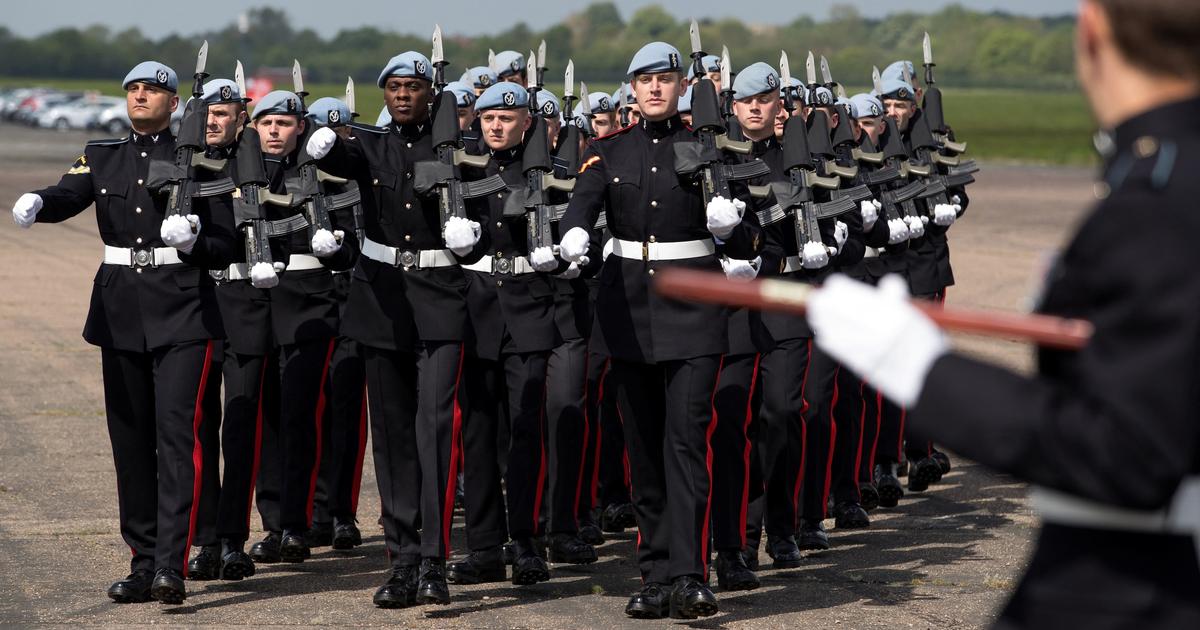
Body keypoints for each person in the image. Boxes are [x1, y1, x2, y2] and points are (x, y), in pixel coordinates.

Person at [807, 0, 1200, 626]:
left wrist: (923, 371)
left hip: (1138, 584)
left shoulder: (1157, 198)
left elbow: (1126, 453)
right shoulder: (1159, 171)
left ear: (1091, 30)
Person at [10, 61, 237, 604]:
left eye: (152, 90)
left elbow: (227, 244)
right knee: (130, 443)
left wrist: (193, 242)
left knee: (177, 439)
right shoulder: (104, 153)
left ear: (174, 101)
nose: (140, 96)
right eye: (133, 88)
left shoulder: (201, 162)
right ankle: (141, 559)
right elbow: (71, 194)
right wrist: (40, 202)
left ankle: (171, 563)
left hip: (183, 311)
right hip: (120, 312)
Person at [558, 42, 762, 620]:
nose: (654, 89)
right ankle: (653, 573)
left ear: (681, 88)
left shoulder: (709, 148)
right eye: (644, 80)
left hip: (693, 315)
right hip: (627, 316)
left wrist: (732, 231)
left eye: (664, 80)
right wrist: (574, 233)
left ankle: (691, 573)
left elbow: (748, 242)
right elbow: (584, 203)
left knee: (685, 444)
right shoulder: (607, 150)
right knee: (643, 452)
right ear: (630, 89)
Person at [305, 51, 481, 608]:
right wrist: (323, 140)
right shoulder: (372, 145)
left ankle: (434, 560)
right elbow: (339, 149)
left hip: (442, 300)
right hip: (382, 303)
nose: (403, 95)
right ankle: (402, 560)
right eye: (395, 87)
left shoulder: (457, 147)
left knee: (433, 429)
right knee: (392, 437)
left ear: (432, 93)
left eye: (414, 86)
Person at [451, 81, 561, 588]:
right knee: (477, 434)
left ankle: (527, 541)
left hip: (528, 309)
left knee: (524, 433)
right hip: (476, 312)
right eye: (488, 118)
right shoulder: (461, 169)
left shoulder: (549, 173)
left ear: (526, 123)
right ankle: (483, 547)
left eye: (507, 118)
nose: (495, 126)